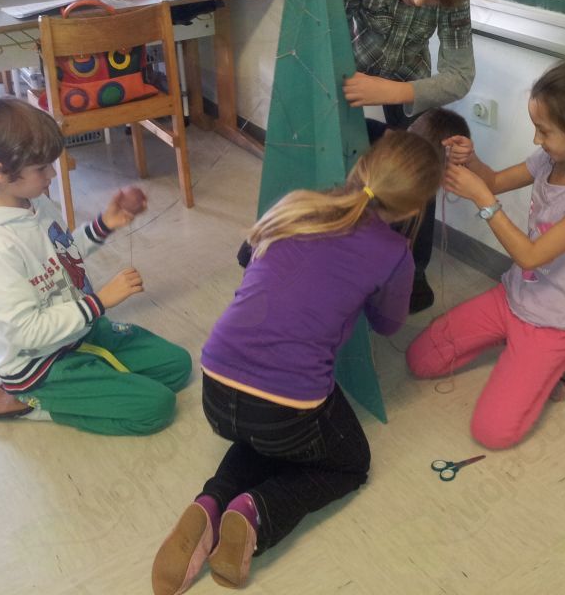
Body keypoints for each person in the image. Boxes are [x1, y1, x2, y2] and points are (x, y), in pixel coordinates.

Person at [151, 130, 442, 595]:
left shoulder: (296, 204)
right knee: (350, 464)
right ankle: (257, 513)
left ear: (362, 165)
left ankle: (211, 503)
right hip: (286, 407)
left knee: (267, 433)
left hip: (216, 384)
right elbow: (388, 324)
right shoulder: (394, 254)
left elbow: (247, 256)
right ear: (414, 207)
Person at [406, 61, 565, 449]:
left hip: (553, 321)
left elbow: (531, 257)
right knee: (420, 359)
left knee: (492, 433)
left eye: (544, 131)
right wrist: (471, 159)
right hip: (512, 297)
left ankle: (561, 358)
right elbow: (494, 180)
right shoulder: (551, 159)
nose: (536, 139)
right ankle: (520, 352)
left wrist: (483, 200)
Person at [0, 97, 192, 436]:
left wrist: (104, 225)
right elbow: (25, 332)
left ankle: (100, 379)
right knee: (157, 407)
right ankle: (36, 404)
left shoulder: (35, 202)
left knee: (178, 366)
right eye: (41, 168)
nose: (52, 173)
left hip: (80, 333)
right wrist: (99, 302)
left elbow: (65, 253)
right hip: (42, 365)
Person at [337, 0, 491, 312]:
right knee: (341, 154)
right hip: (351, 69)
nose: (420, 1)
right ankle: (340, 252)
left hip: (407, 77)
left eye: (433, 0)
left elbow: (459, 76)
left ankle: (411, 273)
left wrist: (390, 91)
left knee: (422, 163)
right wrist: (351, 85)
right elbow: (325, 34)